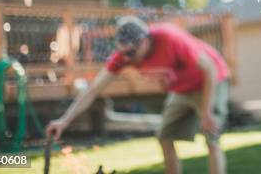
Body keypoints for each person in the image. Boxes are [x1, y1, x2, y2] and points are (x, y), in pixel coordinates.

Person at [46, 16, 230, 174]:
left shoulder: (170, 38)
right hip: (182, 88)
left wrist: (206, 113)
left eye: (131, 53)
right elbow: (93, 90)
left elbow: (210, 69)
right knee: (165, 137)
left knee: (211, 137)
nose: (127, 59)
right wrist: (64, 121)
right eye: (123, 53)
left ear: (145, 40)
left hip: (210, 79)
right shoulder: (124, 56)